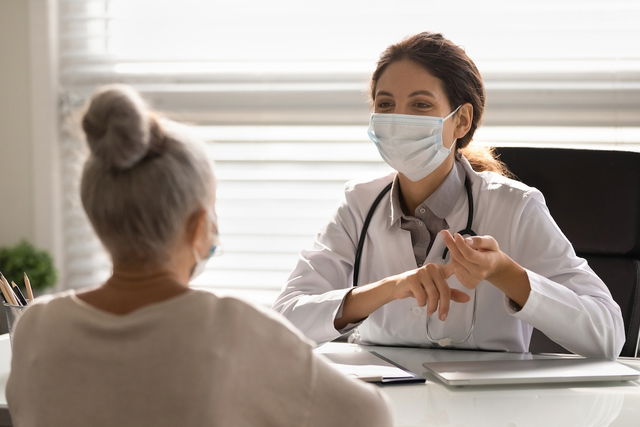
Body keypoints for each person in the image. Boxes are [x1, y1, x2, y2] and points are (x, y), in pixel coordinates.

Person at [6, 85, 393, 427]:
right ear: (196, 226)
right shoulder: (235, 327)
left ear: (97, 217)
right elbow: (370, 417)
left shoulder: (36, 327)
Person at [273, 32, 625, 359]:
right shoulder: (359, 203)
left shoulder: (515, 207)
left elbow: (607, 335)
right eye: (385, 104)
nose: (398, 119)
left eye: (421, 105)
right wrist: (389, 289)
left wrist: (504, 273)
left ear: (461, 121)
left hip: (491, 410)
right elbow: (283, 324)